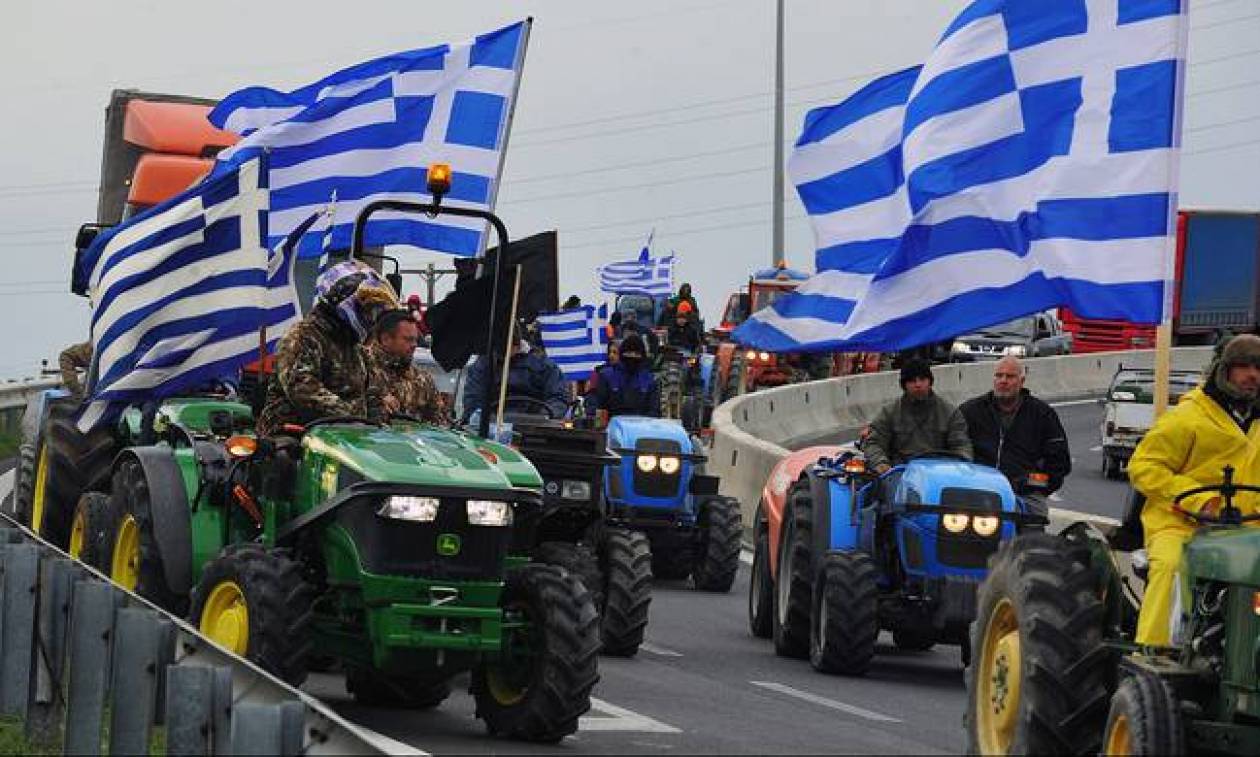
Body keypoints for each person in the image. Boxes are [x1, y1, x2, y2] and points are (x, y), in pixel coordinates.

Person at [1128, 334, 1260, 646]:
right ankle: (1153, 653)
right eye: (1243, 367)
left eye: (1258, 368)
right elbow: (1144, 466)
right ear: (1223, 370)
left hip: (1249, 530)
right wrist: (1203, 501)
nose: (1253, 375)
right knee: (1172, 567)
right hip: (1182, 526)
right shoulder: (1188, 417)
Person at [257, 262, 397, 437]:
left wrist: (379, 423)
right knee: (284, 458)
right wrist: (355, 418)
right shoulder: (302, 337)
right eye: (367, 309)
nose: (371, 317)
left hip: (346, 439)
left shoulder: (355, 348)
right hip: (293, 438)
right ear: (342, 299)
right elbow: (304, 391)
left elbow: (372, 394)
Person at [959, 356, 1071, 498]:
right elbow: (953, 449)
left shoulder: (1042, 414)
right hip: (977, 489)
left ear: (1022, 381)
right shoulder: (971, 411)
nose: (1003, 381)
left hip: (1024, 496)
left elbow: (1059, 466)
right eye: (999, 376)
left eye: (1010, 376)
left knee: (1034, 517)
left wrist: (1029, 484)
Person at [864, 358, 972, 475]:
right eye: (912, 381)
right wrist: (882, 465)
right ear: (904, 385)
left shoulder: (950, 413)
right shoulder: (889, 412)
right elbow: (874, 443)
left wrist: (961, 467)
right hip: (901, 477)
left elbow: (962, 445)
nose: (918, 385)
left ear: (930, 382)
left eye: (922, 379)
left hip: (939, 475)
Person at [462, 328, 569, 422]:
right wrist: (483, 418)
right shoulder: (483, 365)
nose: (504, 354)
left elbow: (558, 398)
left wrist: (543, 417)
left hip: (534, 425)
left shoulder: (544, 366)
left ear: (518, 344)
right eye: (500, 350)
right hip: (491, 424)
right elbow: (472, 399)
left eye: (506, 348)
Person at [368, 309, 445, 424]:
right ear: (386, 339)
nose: (414, 345)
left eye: (415, 340)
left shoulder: (422, 380)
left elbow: (440, 424)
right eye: (408, 339)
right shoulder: (362, 369)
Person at [588, 334, 660, 419]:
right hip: (612, 426)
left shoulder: (649, 380)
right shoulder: (607, 376)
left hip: (641, 427)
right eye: (628, 353)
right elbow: (597, 404)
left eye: (636, 353)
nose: (632, 356)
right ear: (622, 354)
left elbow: (654, 410)